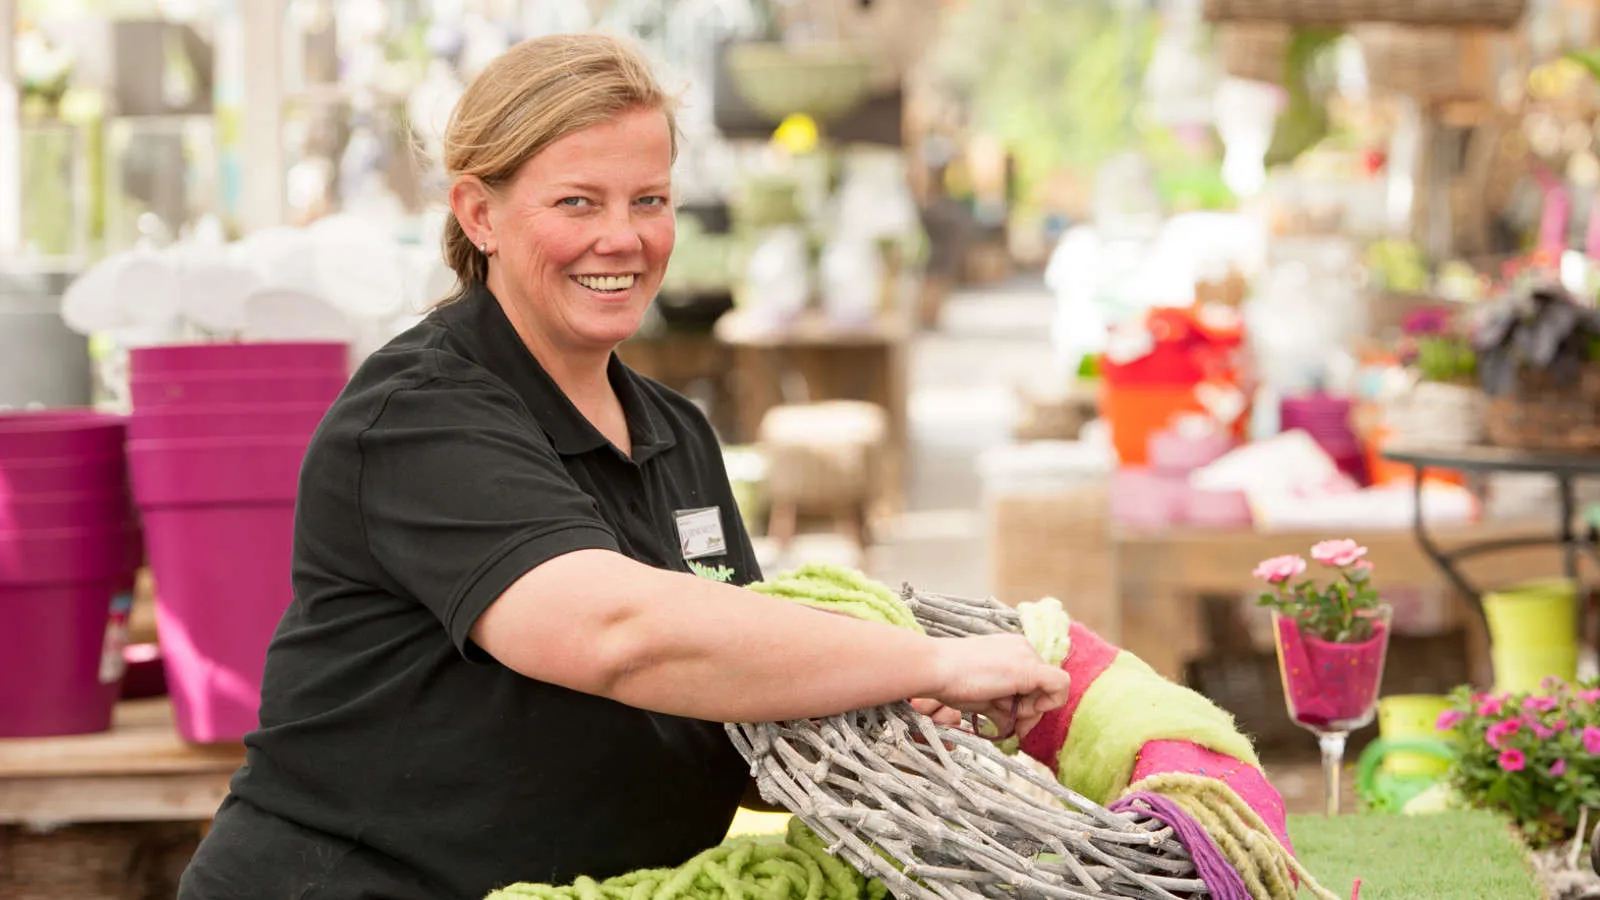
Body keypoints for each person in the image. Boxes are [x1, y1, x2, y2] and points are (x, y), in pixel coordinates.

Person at [178, 33, 1070, 900]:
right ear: (478, 214)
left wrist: (889, 721)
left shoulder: (674, 432)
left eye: (649, 200)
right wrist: (925, 662)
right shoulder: (417, 417)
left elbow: (732, 707)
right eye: (578, 203)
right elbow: (619, 635)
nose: (623, 238)